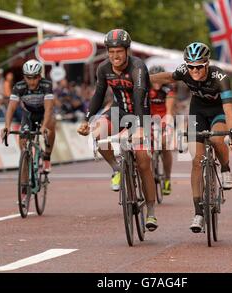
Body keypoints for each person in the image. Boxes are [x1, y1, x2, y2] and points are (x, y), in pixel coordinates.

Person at [150, 42, 232, 233]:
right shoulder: (184, 70)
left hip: (218, 112)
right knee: (197, 161)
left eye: (199, 66)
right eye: (191, 66)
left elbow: (229, 111)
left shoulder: (220, 77)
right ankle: (198, 212)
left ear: (207, 64)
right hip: (197, 112)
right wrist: (142, 78)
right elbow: (167, 77)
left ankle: (225, 168)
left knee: (216, 139)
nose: (195, 70)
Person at [77, 29, 159, 231]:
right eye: (111, 52)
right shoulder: (103, 69)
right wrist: (87, 120)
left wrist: (140, 127)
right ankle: (117, 168)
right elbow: (98, 95)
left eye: (119, 52)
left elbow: (139, 98)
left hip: (140, 114)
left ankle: (150, 211)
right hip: (117, 112)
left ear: (127, 51)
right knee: (98, 135)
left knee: (143, 162)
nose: (115, 56)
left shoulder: (138, 68)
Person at [0, 59, 56, 174]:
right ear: (24, 77)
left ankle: (47, 156)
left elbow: (49, 108)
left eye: (35, 77)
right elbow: (11, 108)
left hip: (43, 113)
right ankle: (26, 179)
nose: (32, 81)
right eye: (28, 77)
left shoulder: (46, 85)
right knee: (23, 142)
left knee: (51, 125)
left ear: (40, 76)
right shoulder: (19, 87)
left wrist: (44, 126)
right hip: (29, 115)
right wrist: (7, 126)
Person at [148, 65, 176, 196]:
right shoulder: (145, 89)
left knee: (165, 145)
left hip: (165, 119)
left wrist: (168, 121)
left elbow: (169, 109)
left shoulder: (168, 89)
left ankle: (167, 178)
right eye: (155, 79)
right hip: (149, 120)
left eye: (160, 79)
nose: (157, 82)